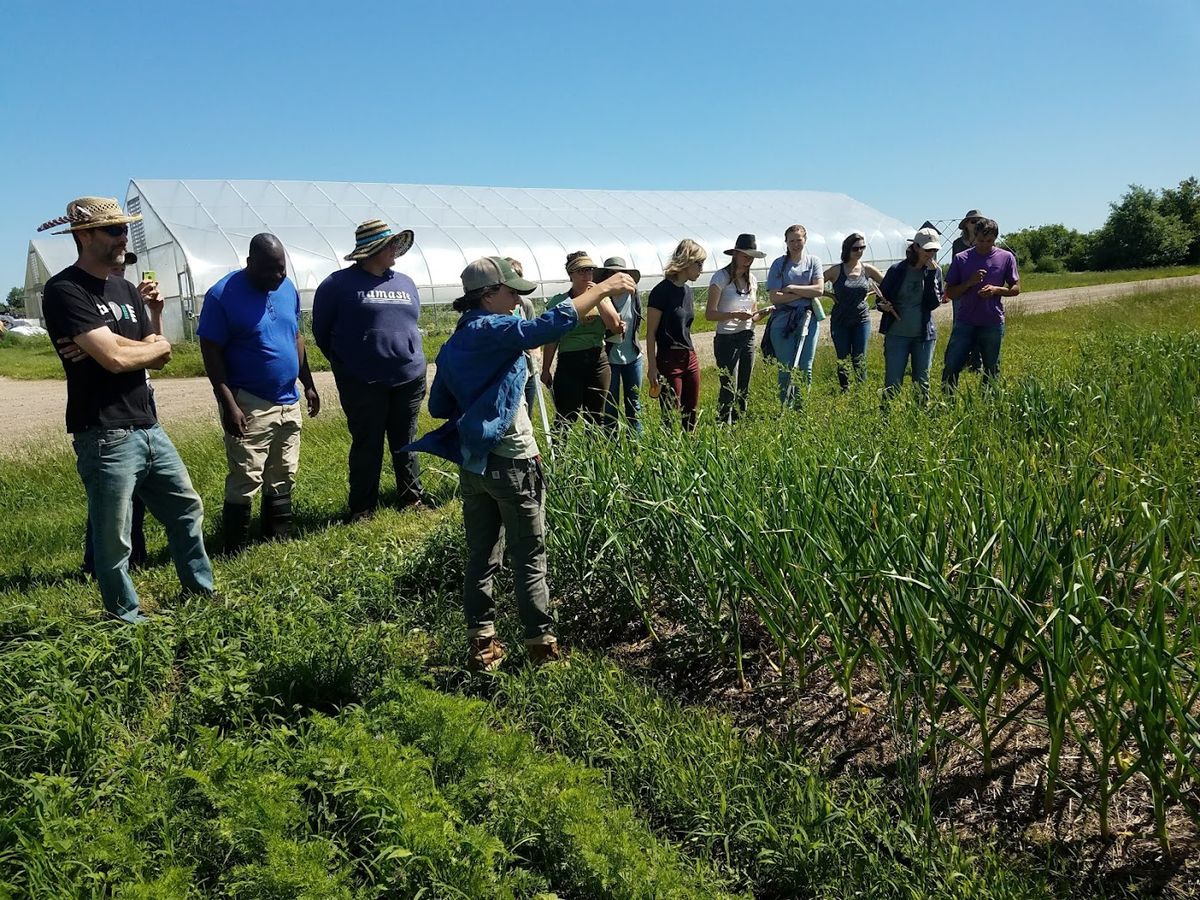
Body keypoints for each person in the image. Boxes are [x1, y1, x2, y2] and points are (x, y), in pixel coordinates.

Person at [406, 257, 636, 671]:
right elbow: (545, 327)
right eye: (511, 292)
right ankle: (542, 651)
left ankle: (483, 646)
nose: (517, 300)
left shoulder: (456, 340)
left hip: (475, 463)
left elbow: (439, 403)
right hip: (513, 461)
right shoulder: (493, 329)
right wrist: (600, 290)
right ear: (487, 294)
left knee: (481, 555)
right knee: (529, 555)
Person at [38, 196, 215, 623]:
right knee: (114, 537)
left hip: (148, 423)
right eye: (114, 230)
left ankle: (201, 592)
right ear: (84, 236)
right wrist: (131, 350)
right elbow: (114, 360)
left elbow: (159, 352)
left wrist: (152, 324)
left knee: (186, 508)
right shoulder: (65, 290)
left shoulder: (125, 289)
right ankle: (124, 616)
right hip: (103, 430)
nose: (124, 238)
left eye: (125, 229)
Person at [198, 234, 320, 553]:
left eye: (281, 269)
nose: (277, 277)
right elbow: (210, 349)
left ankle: (276, 538)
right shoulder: (222, 295)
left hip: (287, 399)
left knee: (284, 472)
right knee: (247, 475)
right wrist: (228, 403)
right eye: (269, 270)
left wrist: (307, 382)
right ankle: (234, 548)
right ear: (249, 263)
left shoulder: (286, 289)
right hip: (248, 401)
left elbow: (296, 337)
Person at [312, 220, 430, 521]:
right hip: (362, 381)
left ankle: (411, 498)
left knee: (407, 439)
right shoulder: (337, 285)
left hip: (409, 377)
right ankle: (363, 508)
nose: (396, 250)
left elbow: (411, 323)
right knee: (367, 443)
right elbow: (322, 332)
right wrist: (349, 365)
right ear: (373, 250)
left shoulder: (404, 282)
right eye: (390, 245)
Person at [81, 251, 155, 575]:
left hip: (142, 397)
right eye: (115, 267)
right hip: (110, 407)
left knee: (139, 487)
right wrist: (143, 347)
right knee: (111, 491)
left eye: (124, 268)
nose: (121, 272)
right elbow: (112, 354)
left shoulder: (131, 301)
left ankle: (135, 556)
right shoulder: (88, 301)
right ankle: (99, 564)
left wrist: (153, 312)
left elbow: (158, 350)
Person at [540, 252, 624, 425]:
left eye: (590, 271)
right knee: (565, 416)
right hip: (570, 362)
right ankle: (560, 451)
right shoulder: (560, 302)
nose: (587, 275)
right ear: (571, 275)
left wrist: (598, 297)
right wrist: (546, 368)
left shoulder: (602, 297)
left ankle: (593, 451)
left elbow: (615, 327)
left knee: (596, 416)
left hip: (597, 361)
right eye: (582, 271)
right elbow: (552, 339)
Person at [942, 217, 1020, 389]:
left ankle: (988, 403)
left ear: (996, 239)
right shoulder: (961, 258)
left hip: (992, 321)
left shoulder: (1006, 258)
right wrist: (969, 282)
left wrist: (996, 290)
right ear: (974, 237)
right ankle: (947, 400)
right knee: (952, 364)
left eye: (989, 241)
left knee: (992, 367)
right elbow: (950, 292)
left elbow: (1015, 288)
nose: (985, 244)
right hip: (965, 321)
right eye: (981, 240)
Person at [873, 228, 946, 402]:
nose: (931, 254)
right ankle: (886, 418)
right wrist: (883, 305)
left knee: (922, 383)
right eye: (927, 250)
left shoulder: (935, 271)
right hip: (897, 335)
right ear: (915, 247)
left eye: (934, 250)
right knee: (893, 382)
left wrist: (929, 277)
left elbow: (933, 303)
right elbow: (880, 299)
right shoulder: (897, 270)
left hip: (924, 336)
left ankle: (920, 417)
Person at [707, 235, 770, 423]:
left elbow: (753, 315)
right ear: (735, 254)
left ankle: (740, 423)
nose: (748, 259)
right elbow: (710, 314)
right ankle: (723, 423)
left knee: (744, 385)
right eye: (744, 255)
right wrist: (733, 315)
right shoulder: (721, 277)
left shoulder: (752, 280)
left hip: (747, 336)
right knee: (728, 386)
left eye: (751, 256)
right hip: (727, 338)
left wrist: (763, 313)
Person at [646, 239, 706, 431]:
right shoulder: (660, 291)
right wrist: (652, 367)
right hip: (668, 359)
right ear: (687, 261)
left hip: (690, 356)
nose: (701, 269)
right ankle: (670, 453)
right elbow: (650, 333)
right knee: (671, 413)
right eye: (699, 264)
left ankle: (691, 452)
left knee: (691, 412)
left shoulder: (688, 291)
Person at [765, 225, 825, 406]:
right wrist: (804, 294)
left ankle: (801, 407)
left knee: (805, 367)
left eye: (798, 240)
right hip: (783, 320)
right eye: (791, 240)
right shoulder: (778, 264)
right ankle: (785, 405)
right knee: (786, 367)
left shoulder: (813, 262)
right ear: (786, 242)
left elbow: (819, 289)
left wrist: (791, 289)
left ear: (805, 240)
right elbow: (775, 296)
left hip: (808, 319)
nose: (795, 244)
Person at [823, 234, 887, 390]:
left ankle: (862, 391)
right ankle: (845, 390)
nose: (859, 251)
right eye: (855, 248)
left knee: (859, 358)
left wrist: (873, 293)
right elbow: (815, 285)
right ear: (847, 249)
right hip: (840, 321)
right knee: (843, 358)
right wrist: (830, 295)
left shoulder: (868, 269)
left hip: (862, 320)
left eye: (862, 247)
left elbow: (887, 284)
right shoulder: (836, 270)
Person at [598, 256, 644, 433]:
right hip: (610, 359)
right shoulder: (602, 297)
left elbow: (637, 318)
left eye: (620, 272)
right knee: (610, 407)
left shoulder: (633, 293)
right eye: (611, 273)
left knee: (635, 405)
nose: (616, 276)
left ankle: (636, 449)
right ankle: (612, 448)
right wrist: (611, 330)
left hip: (633, 356)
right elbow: (598, 326)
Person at [949, 209, 985, 374]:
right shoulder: (957, 243)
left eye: (978, 221)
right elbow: (954, 267)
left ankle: (977, 363)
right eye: (972, 221)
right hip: (961, 288)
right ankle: (961, 359)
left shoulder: (984, 242)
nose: (975, 223)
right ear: (966, 225)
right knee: (960, 325)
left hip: (979, 289)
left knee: (979, 324)